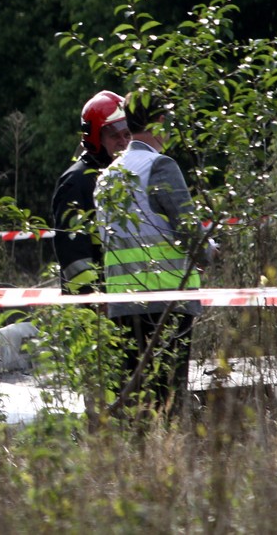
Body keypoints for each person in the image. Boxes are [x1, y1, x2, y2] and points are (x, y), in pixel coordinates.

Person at [94, 93, 210, 415]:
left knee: (135, 397)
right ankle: (169, 458)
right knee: (168, 397)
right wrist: (210, 252)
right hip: (166, 301)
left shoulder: (107, 176)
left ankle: (138, 458)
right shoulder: (160, 166)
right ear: (160, 121)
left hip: (122, 304)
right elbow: (191, 235)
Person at [51, 90, 131, 294]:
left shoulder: (127, 175)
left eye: (127, 133)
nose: (123, 141)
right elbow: (74, 256)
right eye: (114, 135)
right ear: (96, 138)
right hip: (93, 312)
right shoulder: (77, 182)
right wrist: (92, 300)